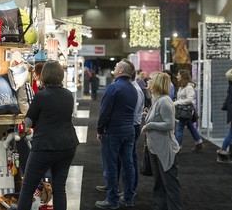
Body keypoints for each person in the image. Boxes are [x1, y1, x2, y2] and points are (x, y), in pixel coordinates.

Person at [17, 60, 80, 210]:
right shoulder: (68, 95)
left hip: (44, 146)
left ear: (44, 75)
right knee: (59, 188)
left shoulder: (41, 96)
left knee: (27, 189)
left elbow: (28, 122)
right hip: (67, 145)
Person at [95, 70, 145, 198]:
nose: (114, 70)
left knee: (124, 162)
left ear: (123, 71)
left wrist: (101, 129)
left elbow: (106, 111)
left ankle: (125, 193)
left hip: (124, 128)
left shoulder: (130, 89)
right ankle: (121, 191)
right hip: (129, 127)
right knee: (123, 162)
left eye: (117, 67)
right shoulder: (132, 89)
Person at [141, 72, 183, 210]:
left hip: (165, 150)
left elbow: (169, 125)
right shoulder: (157, 99)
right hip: (156, 149)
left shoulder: (164, 101)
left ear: (157, 83)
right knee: (158, 183)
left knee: (170, 185)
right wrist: (149, 117)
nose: (148, 81)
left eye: (151, 79)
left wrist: (149, 125)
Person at [173, 70, 204, 151]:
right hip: (183, 110)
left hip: (186, 111)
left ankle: (178, 147)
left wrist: (177, 102)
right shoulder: (181, 86)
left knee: (179, 128)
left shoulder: (189, 87)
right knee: (190, 126)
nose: (177, 76)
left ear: (183, 77)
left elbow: (190, 100)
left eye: (178, 75)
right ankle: (199, 142)